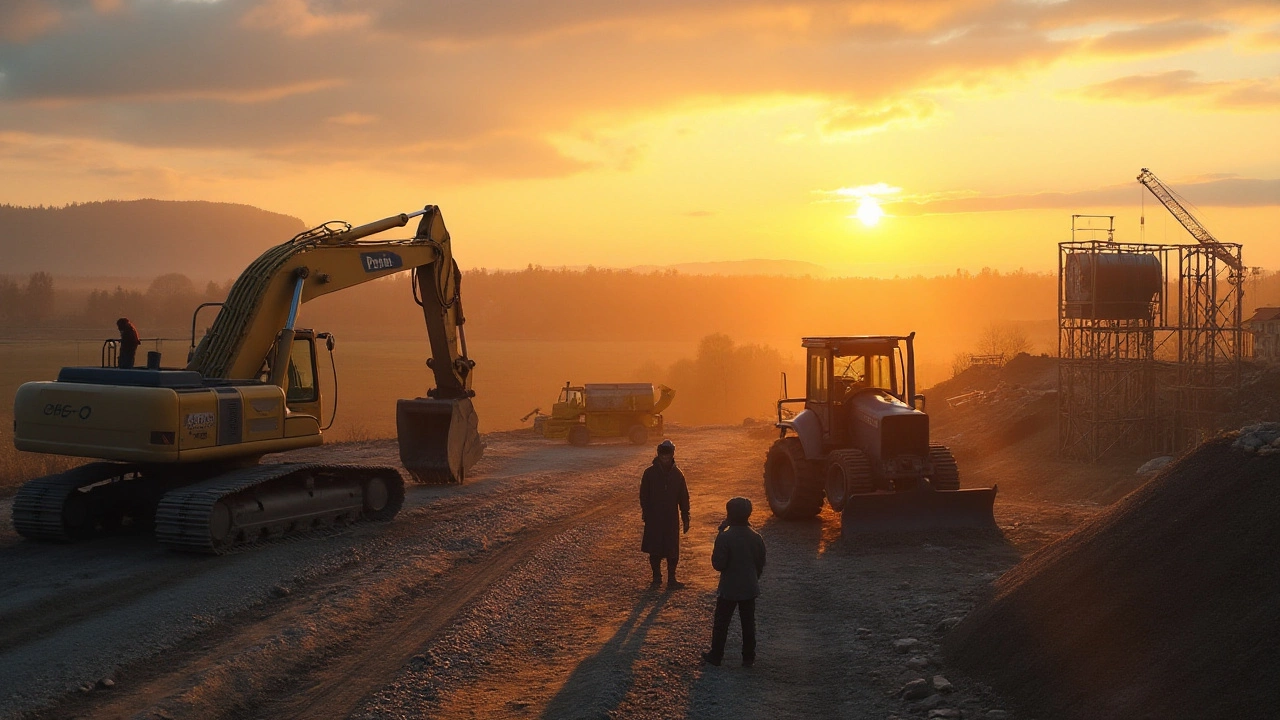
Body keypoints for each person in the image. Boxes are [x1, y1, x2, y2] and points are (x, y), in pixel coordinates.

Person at [702, 496, 766, 668]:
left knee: (722, 622)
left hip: (729, 588)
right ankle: (748, 657)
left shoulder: (725, 537)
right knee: (748, 623)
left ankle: (716, 655)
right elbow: (760, 562)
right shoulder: (756, 537)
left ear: (729, 514)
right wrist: (753, 577)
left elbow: (718, 564)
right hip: (749, 586)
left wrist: (720, 532)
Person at [639, 439, 690, 589]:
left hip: (671, 518)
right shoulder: (649, 473)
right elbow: (644, 496)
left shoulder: (678, 475)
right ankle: (656, 578)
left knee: (672, 549)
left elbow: (684, 497)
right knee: (655, 549)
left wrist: (686, 517)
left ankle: (672, 579)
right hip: (654, 517)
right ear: (659, 455)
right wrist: (646, 513)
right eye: (663, 457)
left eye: (668, 457)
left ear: (672, 455)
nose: (665, 459)